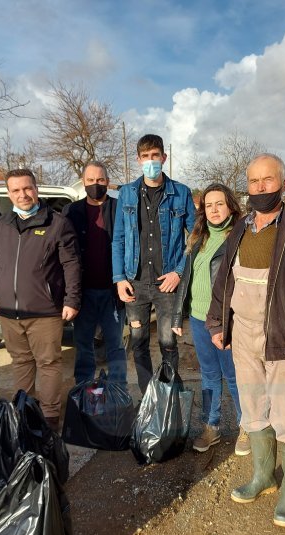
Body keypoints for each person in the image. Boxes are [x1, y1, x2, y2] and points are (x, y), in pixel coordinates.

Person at [206, 153, 285, 527]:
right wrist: (217, 322)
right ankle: (263, 476)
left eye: (267, 181)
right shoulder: (240, 228)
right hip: (244, 336)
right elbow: (225, 279)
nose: (260, 188)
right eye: (253, 182)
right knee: (253, 408)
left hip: (284, 337)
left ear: (283, 185)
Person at [0, 168, 81, 430]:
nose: (23, 194)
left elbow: (71, 264)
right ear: (9, 194)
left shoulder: (57, 223)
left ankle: (51, 416)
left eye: (27, 188)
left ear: (36, 188)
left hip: (45, 310)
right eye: (16, 190)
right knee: (20, 362)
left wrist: (71, 299)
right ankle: (24, 411)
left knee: (48, 363)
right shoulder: (2, 224)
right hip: (9, 311)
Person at [112, 134, 195, 393]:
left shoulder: (181, 193)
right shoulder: (126, 193)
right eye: (145, 157)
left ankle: (169, 397)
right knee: (138, 342)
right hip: (134, 283)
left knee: (168, 341)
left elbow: (194, 239)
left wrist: (179, 272)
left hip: (166, 284)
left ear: (164, 158)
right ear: (138, 160)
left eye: (155, 156)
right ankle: (149, 397)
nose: (151, 161)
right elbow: (118, 239)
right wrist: (119, 278)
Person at [171, 183, 247, 455]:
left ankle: (246, 426)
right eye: (209, 205)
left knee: (234, 375)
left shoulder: (239, 237)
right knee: (209, 375)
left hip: (226, 321)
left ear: (230, 206)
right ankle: (211, 427)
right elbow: (188, 279)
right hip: (198, 318)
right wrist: (179, 315)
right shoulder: (197, 237)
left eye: (220, 204)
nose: (214, 210)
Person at [62, 161, 127, 385]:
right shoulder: (71, 211)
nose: (95, 184)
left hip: (112, 292)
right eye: (90, 180)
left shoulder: (119, 208)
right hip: (84, 291)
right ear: (83, 182)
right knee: (83, 344)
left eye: (100, 180)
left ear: (107, 182)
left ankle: (119, 389)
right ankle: (83, 388)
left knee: (116, 344)